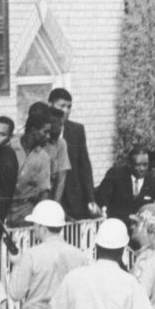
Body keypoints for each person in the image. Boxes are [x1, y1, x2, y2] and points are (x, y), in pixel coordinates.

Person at [13, 102, 69, 225]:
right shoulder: (11, 147)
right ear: (33, 130)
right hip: (6, 210)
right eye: (45, 132)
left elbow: (44, 191)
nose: (48, 136)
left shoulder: (43, 157)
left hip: (27, 211)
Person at [48, 88, 97, 221]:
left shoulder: (77, 130)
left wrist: (91, 199)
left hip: (74, 198)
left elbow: (84, 166)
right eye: (62, 106)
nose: (66, 111)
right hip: (50, 196)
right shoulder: (43, 131)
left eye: (69, 107)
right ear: (50, 105)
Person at [97, 145, 155, 224]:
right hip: (117, 226)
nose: (142, 169)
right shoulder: (115, 176)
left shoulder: (152, 182)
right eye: (138, 165)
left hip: (139, 230)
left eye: (145, 165)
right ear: (130, 164)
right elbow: (102, 199)